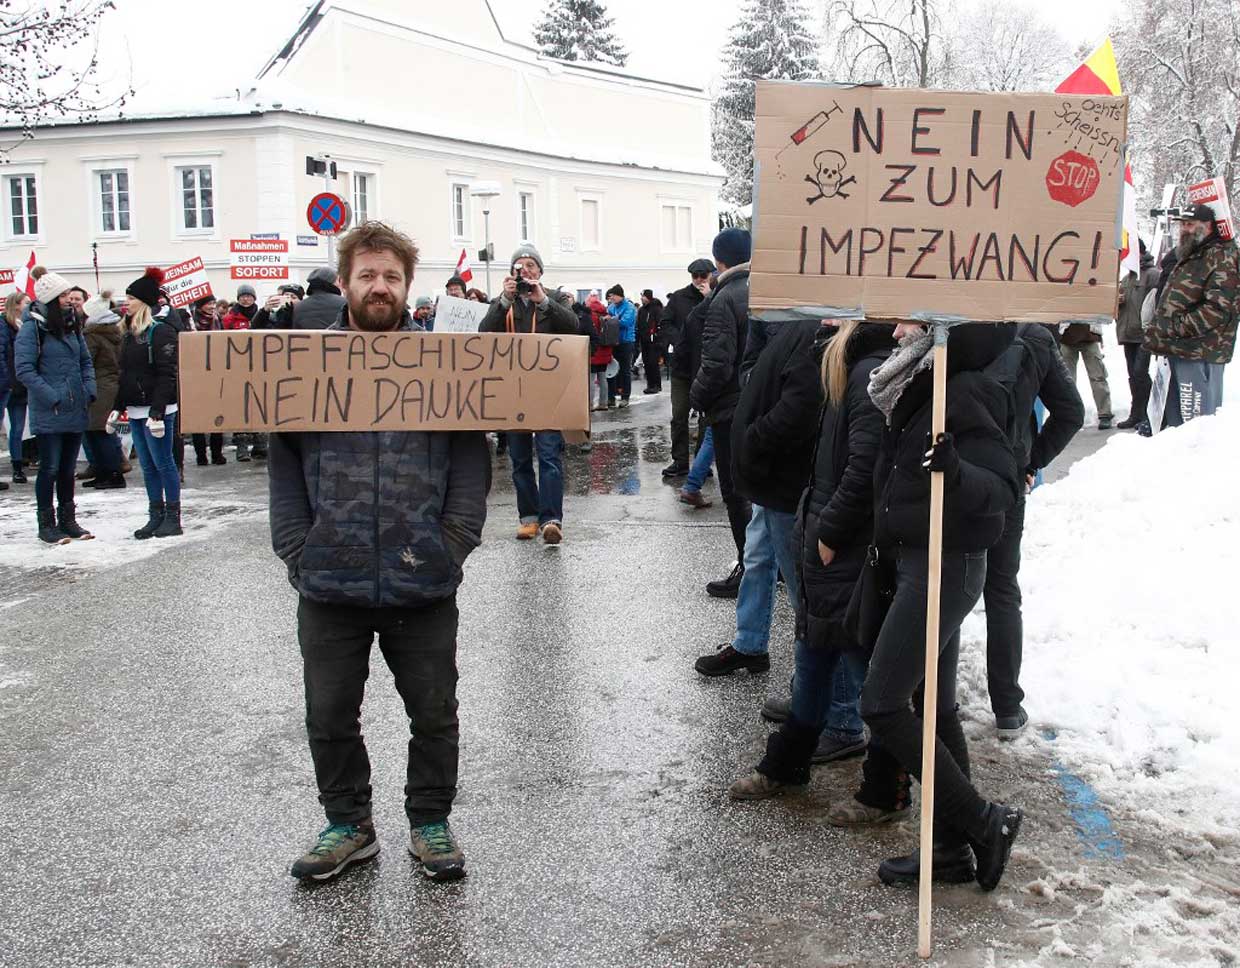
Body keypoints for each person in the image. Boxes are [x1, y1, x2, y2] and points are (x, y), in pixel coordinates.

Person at [268, 221, 489, 883]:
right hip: (330, 580)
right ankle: (349, 825)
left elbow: (471, 463)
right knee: (329, 714)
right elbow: (283, 466)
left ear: (406, 286)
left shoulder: (443, 365)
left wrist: (452, 546)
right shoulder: (304, 366)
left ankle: (429, 821)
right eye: (367, 275)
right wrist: (298, 552)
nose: (379, 286)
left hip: (422, 577)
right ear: (344, 284)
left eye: (391, 276)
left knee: (434, 711)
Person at [849, 322, 1023, 890]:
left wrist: (957, 469)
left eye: (908, 321)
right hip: (916, 559)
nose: (896, 329)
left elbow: (1004, 489)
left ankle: (981, 822)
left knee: (881, 704)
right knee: (936, 706)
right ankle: (950, 851)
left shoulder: (962, 388)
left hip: (945, 565)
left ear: (937, 328)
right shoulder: (917, 384)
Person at [729, 321, 895, 798]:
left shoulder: (867, 372)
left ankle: (891, 788)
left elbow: (864, 466)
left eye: (833, 316)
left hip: (841, 540)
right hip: (822, 524)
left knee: (861, 666)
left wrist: (830, 530)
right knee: (814, 649)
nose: (821, 322)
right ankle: (787, 763)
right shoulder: (849, 365)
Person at [694, 314, 825, 679]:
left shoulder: (815, 325)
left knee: (800, 578)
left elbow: (802, 405)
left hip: (786, 473)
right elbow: (751, 362)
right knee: (756, 557)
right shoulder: (776, 312)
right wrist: (757, 390)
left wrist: (755, 435)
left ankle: (812, 677)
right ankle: (750, 644)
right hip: (769, 474)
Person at [982, 323, 1084, 739]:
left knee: (940, 580)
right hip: (1007, 478)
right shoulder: (1034, 335)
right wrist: (1030, 462)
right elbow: (1071, 412)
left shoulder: (956, 315)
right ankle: (1006, 705)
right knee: (1001, 589)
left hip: (953, 473)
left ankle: (934, 699)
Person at [479, 244, 580, 544]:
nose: (525, 271)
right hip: (513, 390)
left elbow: (574, 327)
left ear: (540, 271)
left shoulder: (556, 297)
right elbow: (484, 333)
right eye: (519, 266)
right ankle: (528, 517)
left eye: (530, 266)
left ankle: (551, 518)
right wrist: (504, 301)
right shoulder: (505, 302)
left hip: (547, 390)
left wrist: (544, 301)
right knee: (519, 457)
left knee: (549, 455)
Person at [689, 228, 753, 590]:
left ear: (719, 260)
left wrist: (696, 399)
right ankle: (766, 565)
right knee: (762, 493)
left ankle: (748, 566)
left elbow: (716, 363)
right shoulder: (762, 291)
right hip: (761, 405)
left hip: (730, 409)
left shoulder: (725, 297)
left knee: (735, 492)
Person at [14, 271, 97, 543]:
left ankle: (68, 520)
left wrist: (89, 389)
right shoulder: (32, 328)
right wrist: (52, 396)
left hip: (75, 406)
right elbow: (24, 370)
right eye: (62, 295)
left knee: (67, 468)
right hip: (51, 408)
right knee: (49, 468)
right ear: (50, 299)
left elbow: (85, 361)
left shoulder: (72, 325)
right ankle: (46, 523)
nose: (68, 300)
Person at [1145, 202, 1240, 426]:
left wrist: (1174, 327)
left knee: (1196, 424)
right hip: (1178, 350)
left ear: (1207, 226)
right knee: (1178, 426)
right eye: (1182, 225)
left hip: (1201, 353)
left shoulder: (1222, 257)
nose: (1184, 230)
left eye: (1189, 224)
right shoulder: (1193, 254)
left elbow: (1218, 308)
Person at [110, 268, 183, 540]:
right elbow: (125, 374)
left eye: (130, 298)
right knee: (148, 466)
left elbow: (168, 374)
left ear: (143, 301)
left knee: (164, 462)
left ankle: (173, 518)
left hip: (158, 410)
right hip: (137, 409)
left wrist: (158, 411)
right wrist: (118, 406)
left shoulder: (160, 331)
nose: (125, 302)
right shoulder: (128, 333)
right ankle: (155, 515)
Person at [660, 259, 713, 479]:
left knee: (706, 418)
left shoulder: (717, 297)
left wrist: (709, 297)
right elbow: (666, 323)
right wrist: (679, 340)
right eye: (695, 276)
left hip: (707, 367)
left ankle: (702, 463)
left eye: (703, 275)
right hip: (682, 367)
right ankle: (680, 461)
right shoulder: (679, 298)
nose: (699, 280)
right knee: (679, 415)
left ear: (710, 275)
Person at [80, 294, 126, 490]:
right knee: (100, 431)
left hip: (98, 387)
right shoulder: (115, 332)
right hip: (110, 385)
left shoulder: (92, 335)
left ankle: (112, 473)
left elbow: (85, 361)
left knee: (99, 432)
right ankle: (104, 472)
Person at [1115, 241, 1159, 429]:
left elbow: (1156, 303)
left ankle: (1148, 413)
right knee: (1133, 375)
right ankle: (1137, 413)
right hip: (1128, 333)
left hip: (1143, 334)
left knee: (1140, 373)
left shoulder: (1153, 275)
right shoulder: (1127, 278)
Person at [1057, 322, 1113, 429]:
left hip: (1089, 335)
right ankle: (1069, 415)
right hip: (1067, 336)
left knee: (1098, 377)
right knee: (1067, 381)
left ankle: (1104, 414)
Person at [2, 291, 30, 484]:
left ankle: (17, 467)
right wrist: (6, 381)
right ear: (17, 305)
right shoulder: (4, 325)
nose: (29, 305)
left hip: (19, 385)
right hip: (5, 384)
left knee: (18, 428)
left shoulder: (24, 326)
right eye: (26, 302)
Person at [603, 286, 637, 407]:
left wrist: (611, 319)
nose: (610, 298)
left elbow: (626, 322)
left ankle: (625, 397)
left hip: (626, 341)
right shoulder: (611, 307)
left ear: (619, 295)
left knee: (625, 370)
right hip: (613, 342)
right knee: (611, 370)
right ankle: (611, 397)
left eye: (612, 296)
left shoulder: (630, 307)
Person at [585, 292, 613, 411]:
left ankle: (590, 404)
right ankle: (603, 403)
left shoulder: (590, 316)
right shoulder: (607, 314)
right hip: (606, 351)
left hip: (594, 351)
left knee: (591, 379)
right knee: (603, 378)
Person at [637, 289, 664, 394]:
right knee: (646, 363)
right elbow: (639, 324)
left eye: (643, 296)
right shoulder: (641, 310)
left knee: (653, 363)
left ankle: (656, 385)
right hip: (644, 340)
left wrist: (657, 335)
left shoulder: (656, 309)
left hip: (654, 341)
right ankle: (650, 384)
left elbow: (660, 323)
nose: (642, 298)